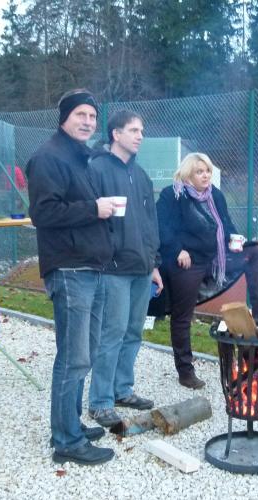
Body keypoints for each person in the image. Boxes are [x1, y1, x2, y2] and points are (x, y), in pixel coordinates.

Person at [27, 88, 117, 466]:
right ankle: (66, 440)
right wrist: (94, 209)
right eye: (81, 114)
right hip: (70, 268)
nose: (88, 122)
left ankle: (70, 424)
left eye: (93, 116)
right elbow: (43, 213)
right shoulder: (48, 157)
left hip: (91, 266)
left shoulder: (81, 157)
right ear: (64, 117)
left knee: (85, 354)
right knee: (73, 357)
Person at [156, 152, 258, 389]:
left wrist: (235, 239)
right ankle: (185, 371)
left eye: (207, 170)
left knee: (253, 252)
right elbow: (160, 227)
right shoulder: (173, 195)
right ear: (187, 174)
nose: (205, 175)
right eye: (199, 171)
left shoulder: (214, 194)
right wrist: (177, 250)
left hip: (215, 258)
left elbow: (225, 224)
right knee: (182, 316)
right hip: (187, 261)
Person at [86, 110, 163, 428]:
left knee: (133, 332)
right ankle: (100, 402)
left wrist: (155, 264)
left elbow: (150, 223)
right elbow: (88, 217)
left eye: (141, 130)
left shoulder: (141, 175)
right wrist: (105, 255)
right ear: (116, 134)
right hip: (113, 269)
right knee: (112, 334)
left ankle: (122, 390)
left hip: (142, 268)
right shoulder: (96, 169)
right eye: (133, 130)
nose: (140, 136)